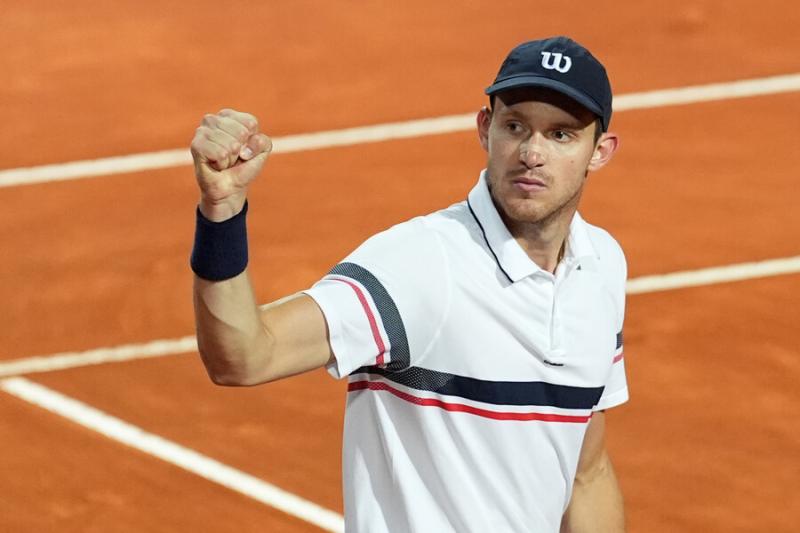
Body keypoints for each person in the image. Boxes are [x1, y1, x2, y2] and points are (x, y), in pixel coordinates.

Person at [189, 35, 628, 533]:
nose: (531, 152)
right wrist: (221, 214)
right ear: (485, 130)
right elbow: (244, 356)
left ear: (600, 151)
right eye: (515, 126)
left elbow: (586, 472)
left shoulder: (600, 267)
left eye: (561, 135)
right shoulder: (420, 264)